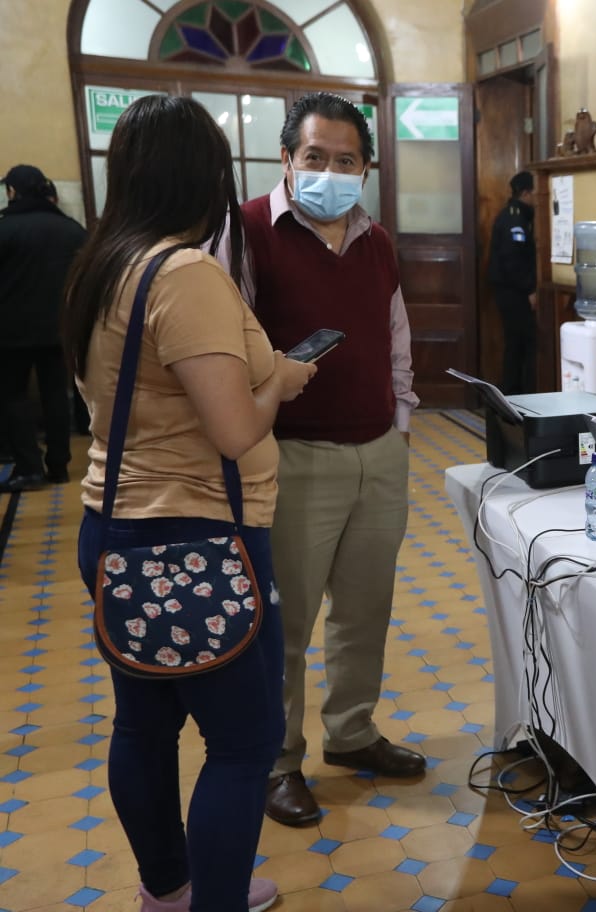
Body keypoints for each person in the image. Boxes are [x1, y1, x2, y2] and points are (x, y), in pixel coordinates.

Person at [64, 95, 315, 912]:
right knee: (243, 747)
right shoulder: (186, 273)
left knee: (143, 727)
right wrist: (280, 377)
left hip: (115, 529)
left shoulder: (103, 264)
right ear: (202, 176)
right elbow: (236, 430)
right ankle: (214, 900)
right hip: (199, 540)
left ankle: (165, 892)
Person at [228, 91, 423, 827]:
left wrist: (400, 426)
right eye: (315, 158)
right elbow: (228, 351)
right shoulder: (246, 232)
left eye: (347, 161)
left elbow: (396, 337)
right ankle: (279, 760)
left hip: (379, 450)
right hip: (293, 456)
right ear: (287, 157)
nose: (330, 172)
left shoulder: (377, 242)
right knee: (288, 621)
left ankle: (353, 734)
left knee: (365, 609)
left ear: (365, 167)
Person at [0, 163, 87, 492]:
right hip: (60, 330)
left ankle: (29, 468)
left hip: (10, 334)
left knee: (13, 396)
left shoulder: (5, 229)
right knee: (55, 394)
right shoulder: (71, 229)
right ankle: (59, 465)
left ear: (12, 191)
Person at [488, 170, 538, 393]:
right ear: (526, 193)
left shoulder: (518, 215)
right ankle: (514, 395)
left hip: (511, 289)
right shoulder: (515, 218)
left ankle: (515, 395)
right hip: (512, 291)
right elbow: (513, 260)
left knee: (519, 344)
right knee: (520, 344)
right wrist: (529, 289)